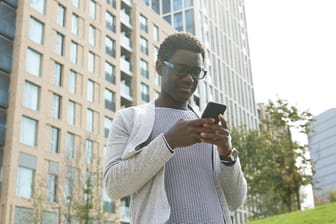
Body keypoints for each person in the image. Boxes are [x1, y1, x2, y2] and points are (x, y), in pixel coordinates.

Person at [104, 32, 247, 224]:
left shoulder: (207, 124)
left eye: (196, 72)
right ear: (160, 67)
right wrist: (168, 142)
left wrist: (227, 154)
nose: (189, 79)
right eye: (181, 69)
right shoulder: (130, 119)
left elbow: (235, 201)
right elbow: (114, 186)